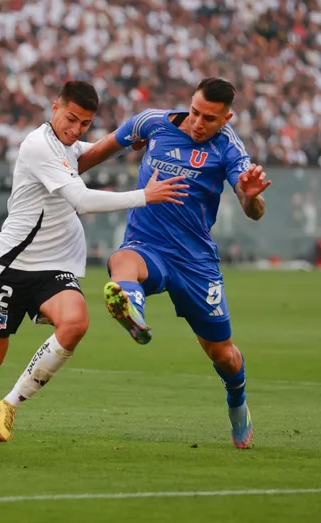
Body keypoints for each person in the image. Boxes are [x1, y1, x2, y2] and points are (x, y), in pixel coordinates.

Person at [0, 81, 188, 450]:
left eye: (84, 123)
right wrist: (144, 195)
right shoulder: (38, 145)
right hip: (12, 266)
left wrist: (131, 140)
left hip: (53, 267)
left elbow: (94, 151)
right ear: (54, 107)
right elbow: (82, 200)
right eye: (71, 119)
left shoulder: (68, 146)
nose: (75, 129)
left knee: (76, 323)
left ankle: (8, 404)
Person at [76, 77, 272, 450]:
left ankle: (237, 401)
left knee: (223, 355)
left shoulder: (228, 148)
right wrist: (54, 177)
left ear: (226, 118)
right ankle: (131, 307)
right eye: (195, 112)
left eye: (210, 119)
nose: (199, 123)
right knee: (121, 260)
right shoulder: (151, 122)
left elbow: (253, 209)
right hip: (147, 245)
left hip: (195, 261)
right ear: (190, 103)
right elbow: (94, 154)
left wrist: (251, 198)